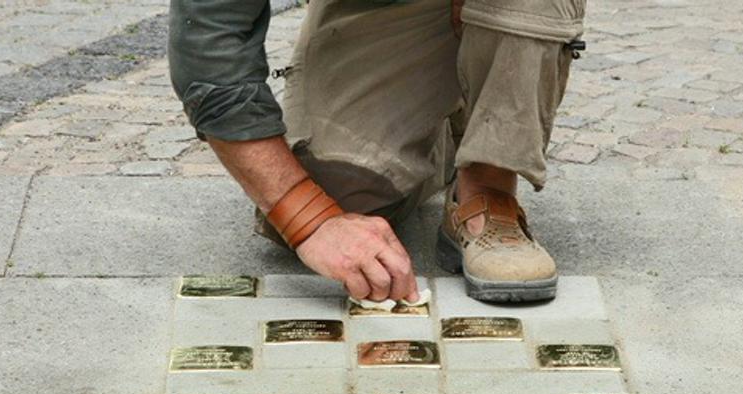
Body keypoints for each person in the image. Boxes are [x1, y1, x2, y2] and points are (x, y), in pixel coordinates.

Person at [168, 0, 585, 303]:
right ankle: (448, 119)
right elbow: (209, 45)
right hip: (378, 10)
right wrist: (309, 220)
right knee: (342, 197)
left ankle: (487, 182)